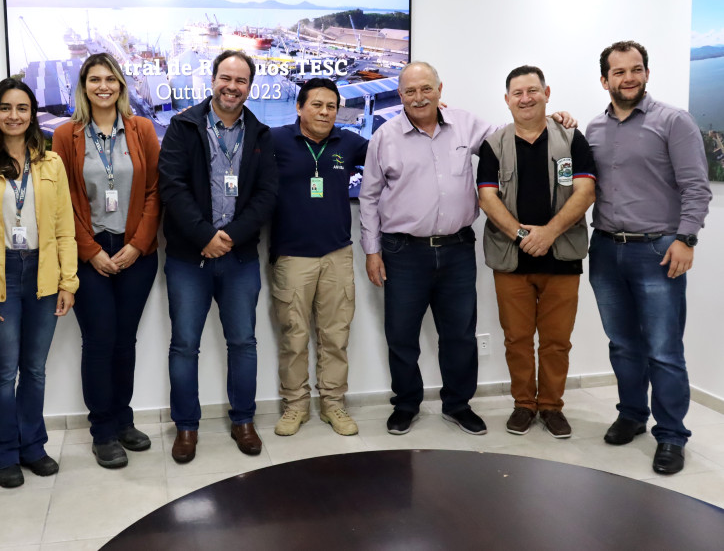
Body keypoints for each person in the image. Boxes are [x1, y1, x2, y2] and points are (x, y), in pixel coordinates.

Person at [359, 62, 575, 437]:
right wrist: (372, 251)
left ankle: (458, 405)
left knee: (459, 334)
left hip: (458, 249)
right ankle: (406, 404)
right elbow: (369, 195)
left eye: (426, 89)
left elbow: (516, 136)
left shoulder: (466, 124)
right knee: (401, 334)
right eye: (410, 92)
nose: (418, 97)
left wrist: (550, 118)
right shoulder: (385, 136)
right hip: (403, 251)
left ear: (440, 89)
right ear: (400, 95)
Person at [586, 40, 711, 475]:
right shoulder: (594, 129)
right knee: (623, 345)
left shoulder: (673, 121)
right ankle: (632, 415)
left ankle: (672, 436)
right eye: (619, 72)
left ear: (646, 72)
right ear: (605, 80)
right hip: (604, 249)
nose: (629, 78)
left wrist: (686, 239)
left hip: (659, 250)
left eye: (636, 69)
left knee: (663, 350)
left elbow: (697, 187)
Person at [158, 50, 278, 463]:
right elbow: (171, 187)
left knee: (243, 342)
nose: (232, 86)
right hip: (189, 259)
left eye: (241, 80)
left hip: (240, 258)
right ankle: (186, 428)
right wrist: (205, 237)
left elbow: (266, 196)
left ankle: (244, 420)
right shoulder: (183, 126)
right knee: (184, 345)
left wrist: (228, 237)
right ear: (212, 80)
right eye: (225, 78)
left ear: (250, 86)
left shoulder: (260, 134)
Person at [0, 79, 78, 488]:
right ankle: (4, 453)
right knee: (4, 369)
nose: (14, 115)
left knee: (35, 369)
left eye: (23, 108)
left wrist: (69, 280)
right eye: (6, 108)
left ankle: (33, 446)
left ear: (32, 114)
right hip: (0, 272)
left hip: (43, 271)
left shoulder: (50, 162)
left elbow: (64, 226)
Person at [54, 53, 161, 469]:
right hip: (90, 252)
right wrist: (91, 251)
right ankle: (102, 430)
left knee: (124, 341)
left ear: (121, 85)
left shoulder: (143, 129)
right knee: (99, 341)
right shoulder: (66, 135)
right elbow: (62, 202)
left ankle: (123, 420)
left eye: (110, 79)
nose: (104, 86)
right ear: (83, 86)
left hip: (136, 251)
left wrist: (138, 243)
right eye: (95, 79)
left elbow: (155, 190)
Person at [477, 66, 596, 439]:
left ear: (547, 92)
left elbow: (586, 192)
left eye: (532, 90)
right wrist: (523, 234)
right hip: (511, 258)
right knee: (517, 338)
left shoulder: (572, 139)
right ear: (507, 99)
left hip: (562, 256)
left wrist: (548, 234)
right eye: (517, 93)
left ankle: (552, 406)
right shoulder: (493, 144)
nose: (525, 98)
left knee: (557, 340)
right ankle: (524, 404)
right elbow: (486, 197)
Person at [269, 77, 368, 436]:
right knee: (294, 336)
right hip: (292, 257)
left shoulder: (350, 142)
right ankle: (295, 406)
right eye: (317, 105)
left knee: (335, 334)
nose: (325, 112)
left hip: (337, 254)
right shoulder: (276, 140)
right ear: (299, 107)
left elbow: (394, 153)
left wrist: (428, 116)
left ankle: (333, 404)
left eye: (331, 106)